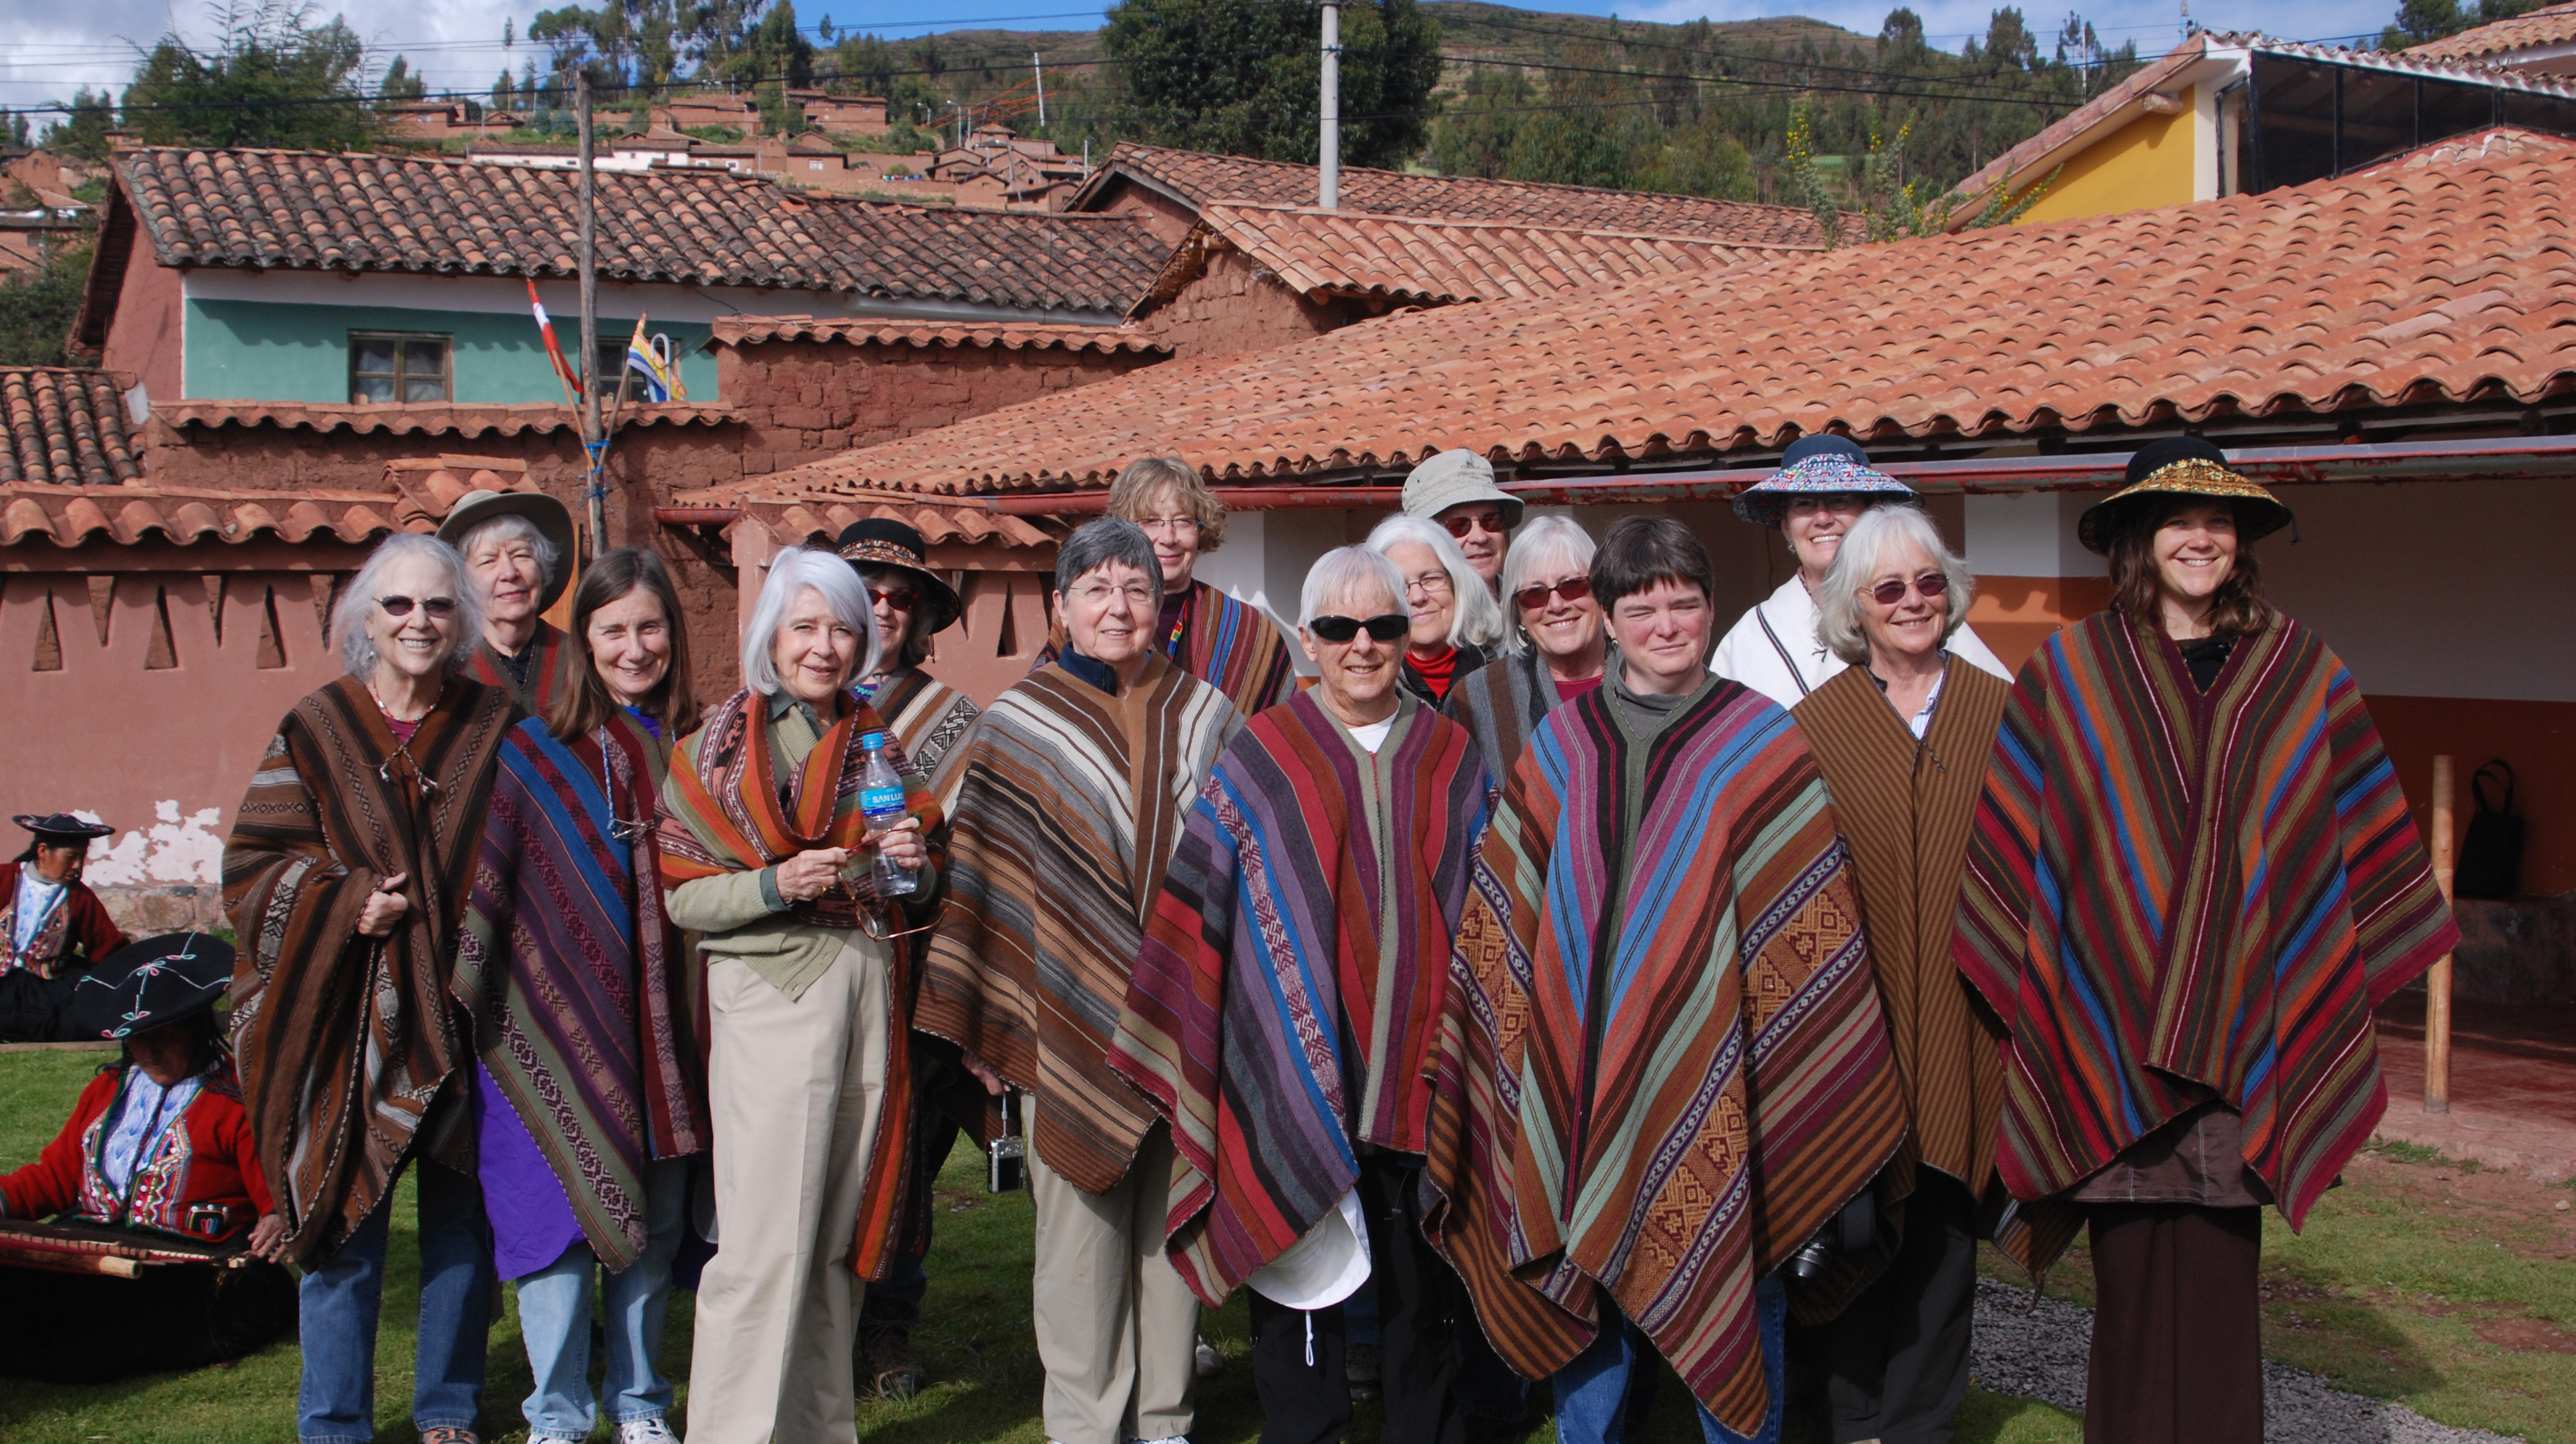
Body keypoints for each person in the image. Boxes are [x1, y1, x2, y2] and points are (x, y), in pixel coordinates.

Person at [1953, 438, 2459, 1444]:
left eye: (2218, 521)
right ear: (2139, 538)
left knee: (2225, 1286)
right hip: (2107, 1031)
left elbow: (2351, 841)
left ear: (2242, 541)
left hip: (2250, 1030)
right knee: (2133, 1288)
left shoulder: (2302, 669)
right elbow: (2020, 853)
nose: (2200, 537)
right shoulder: (2071, 671)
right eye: (2178, 519)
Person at [1424, 515, 1905, 1444]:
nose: (1666, 624)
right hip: (1579, 1083)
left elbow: (1811, 932)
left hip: (1725, 1081)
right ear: (1608, 618)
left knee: (1738, 1274)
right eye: (1642, 607)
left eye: (1684, 603)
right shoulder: (1563, 746)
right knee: (1583, 1283)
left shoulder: (1762, 741)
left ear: (1710, 609)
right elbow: (1509, 920)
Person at [1111, 546, 1491, 1444]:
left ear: (1407, 634)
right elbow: (1202, 895)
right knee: (1294, 1274)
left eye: (1384, 626)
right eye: (1338, 627)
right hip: (1285, 1066)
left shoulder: (1449, 753)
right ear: (1308, 638)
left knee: (1419, 1279)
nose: (1362, 644)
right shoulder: (1266, 750)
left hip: (1421, 1063)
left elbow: (1485, 906)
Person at [918, 519, 1241, 1444]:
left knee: (1171, 1224)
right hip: (1069, 1028)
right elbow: (986, 877)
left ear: (1161, 603)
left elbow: (1238, 867)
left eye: (1135, 588)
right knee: (1081, 1243)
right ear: (1060, 606)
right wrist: (993, 1017)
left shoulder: (1210, 714)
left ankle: (1167, 1415)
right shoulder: (1019, 723)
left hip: (1186, 1023)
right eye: (1096, 588)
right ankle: (1087, 1423)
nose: (1118, 606)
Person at [224, 531, 514, 1444]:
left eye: (436, 604)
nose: (418, 621)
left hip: (471, 1014)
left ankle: (448, 1408)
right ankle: (335, 1419)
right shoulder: (316, 726)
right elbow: (254, 865)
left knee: (462, 1227)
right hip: (349, 1023)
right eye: (398, 605)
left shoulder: (494, 724)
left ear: (460, 617)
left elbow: (530, 853)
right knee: (339, 1226)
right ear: (366, 618)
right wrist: (347, 902)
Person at [655, 545, 942, 1444]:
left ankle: (819, 1427)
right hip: (773, 990)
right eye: (806, 625)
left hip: (864, 986)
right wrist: (779, 884)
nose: (824, 645)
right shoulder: (716, 747)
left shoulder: (875, 740)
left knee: (831, 1241)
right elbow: (683, 891)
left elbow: (916, 889)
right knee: (764, 1245)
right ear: (770, 635)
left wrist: (913, 865)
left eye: (843, 627)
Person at [451, 548, 707, 1444]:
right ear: (583, 641)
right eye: (613, 630)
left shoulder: (699, 747)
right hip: (546, 1022)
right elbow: (493, 888)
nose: (635, 646)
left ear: (673, 631)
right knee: (554, 1219)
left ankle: (641, 1403)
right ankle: (554, 1412)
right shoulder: (534, 751)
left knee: (653, 1217)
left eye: (650, 626)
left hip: (668, 1025)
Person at [1789, 506, 2014, 1443]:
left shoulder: (2002, 713)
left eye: (1928, 582)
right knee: (1849, 1216)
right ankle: (1846, 1413)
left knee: (1944, 1232)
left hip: (1966, 1024)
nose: (1913, 601)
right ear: (1856, 607)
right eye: (1889, 588)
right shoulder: (1813, 725)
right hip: (1851, 1027)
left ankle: (1921, 1419)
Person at [0, 931, 295, 1383]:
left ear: (196, 1029)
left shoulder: (237, 1099)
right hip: (98, 1249)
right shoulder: (105, 1093)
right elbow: (56, 1178)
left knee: (112, 1307)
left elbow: (277, 1191)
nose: (151, 1050)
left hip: (190, 1272)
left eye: (167, 1035)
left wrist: (276, 1215)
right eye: (140, 1038)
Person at [838, 517, 983, 1401]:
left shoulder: (953, 717)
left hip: (918, 974)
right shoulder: (791, 698)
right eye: (870, 591)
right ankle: (826, 1319)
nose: (885, 608)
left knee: (911, 1157)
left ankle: (890, 1321)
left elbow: (976, 856)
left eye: (902, 596)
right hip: (815, 966)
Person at [1713, 436, 2008, 707]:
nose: (1823, 518)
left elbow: (1994, 712)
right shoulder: (1751, 637)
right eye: (1804, 504)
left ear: (1870, 513)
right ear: (1786, 526)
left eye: (1840, 499)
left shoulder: (1920, 613)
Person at [1036, 456, 1301, 718]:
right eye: (1150, 521)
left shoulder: (1246, 630)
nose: (1168, 538)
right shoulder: (1086, 621)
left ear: (1201, 530)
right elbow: (1041, 710)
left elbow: (1280, 734)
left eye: (1183, 521)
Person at [1442, 514, 1611, 779]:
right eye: (1535, 594)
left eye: (1573, 586)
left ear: (1600, 591)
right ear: (1518, 611)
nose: (1556, 606)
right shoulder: (1477, 699)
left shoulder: (1644, 678)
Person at [440, 488, 579, 717]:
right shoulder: (448, 668)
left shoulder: (581, 660)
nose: (509, 572)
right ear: (462, 583)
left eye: (521, 555)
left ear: (542, 568)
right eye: (488, 561)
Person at [0, 812, 126, 1042]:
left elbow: (107, 947)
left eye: (82, 857)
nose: (77, 866)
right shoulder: (3, 878)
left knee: (82, 1019)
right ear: (43, 852)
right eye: (70, 857)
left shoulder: (80, 898)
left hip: (49, 985)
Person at [1367, 514, 1504, 708]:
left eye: (1431, 578)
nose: (1417, 597)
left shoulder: (1504, 667)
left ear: (1457, 583)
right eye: (1399, 585)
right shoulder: (1367, 688)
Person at [1402, 448, 1522, 590]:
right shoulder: (1404, 611)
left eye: (1491, 521)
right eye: (1458, 526)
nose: (1480, 537)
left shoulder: (1533, 605)